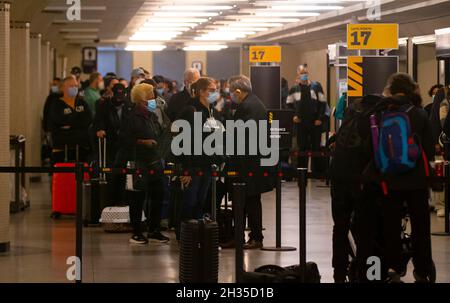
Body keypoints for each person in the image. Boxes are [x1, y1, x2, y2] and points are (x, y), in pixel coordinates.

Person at [362, 73, 434, 283]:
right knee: (421, 228)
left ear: (391, 90)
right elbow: (429, 149)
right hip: (416, 182)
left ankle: (394, 267)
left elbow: (372, 148)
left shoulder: (383, 112)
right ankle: (422, 270)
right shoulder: (419, 113)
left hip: (389, 182)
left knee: (390, 228)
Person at [117, 83, 169, 245]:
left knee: (158, 195)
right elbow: (124, 140)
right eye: (151, 96)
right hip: (138, 161)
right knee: (137, 197)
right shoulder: (131, 117)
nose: (154, 99)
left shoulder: (152, 116)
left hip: (155, 161)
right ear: (142, 99)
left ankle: (154, 229)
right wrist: (142, 142)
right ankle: (137, 231)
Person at [228, 75, 275, 249]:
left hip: (247, 163)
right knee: (252, 200)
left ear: (239, 91)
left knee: (246, 201)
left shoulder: (247, 107)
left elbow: (244, 135)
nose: (231, 96)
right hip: (254, 161)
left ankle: (249, 237)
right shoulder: (256, 104)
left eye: (232, 92)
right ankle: (253, 236)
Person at [175, 77, 224, 239]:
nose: (214, 93)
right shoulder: (191, 110)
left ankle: (197, 234)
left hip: (207, 163)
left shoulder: (213, 111)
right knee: (190, 200)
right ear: (201, 92)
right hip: (192, 164)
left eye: (215, 90)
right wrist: (185, 169)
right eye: (211, 90)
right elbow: (184, 141)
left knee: (201, 201)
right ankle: (184, 235)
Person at [94, 83, 134, 204]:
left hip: (124, 144)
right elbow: (98, 120)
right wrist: (100, 130)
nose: (119, 99)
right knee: (110, 174)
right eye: (117, 95)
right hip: (110, 143)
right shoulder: (104, 105)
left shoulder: (129, 105)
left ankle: (121, 201)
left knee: (122, 173)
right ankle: (109, 201)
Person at [288, 64, 327, 175]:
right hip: (301, 123)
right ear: (298, 74)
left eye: (306, 73)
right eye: (302, 73)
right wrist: (293, 116)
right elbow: (288, 105)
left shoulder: (316, 86)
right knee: (302, 148)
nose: (304, 75)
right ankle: (302, 173)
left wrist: (320, 118)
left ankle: (318, 173)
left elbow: (323, 103)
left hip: (315, 122)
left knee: (316, 148)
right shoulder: (294, 89)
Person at [48, 76, 92, 163]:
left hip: (81, 147)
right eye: (71, 86)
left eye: (76, 86)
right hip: (61, 148)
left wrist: (70, 124)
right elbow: (58, 121)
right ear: (63, 88)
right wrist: (78, 120)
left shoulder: (82, 102)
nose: (74, 88)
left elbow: (88, 120)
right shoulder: (56, 104)